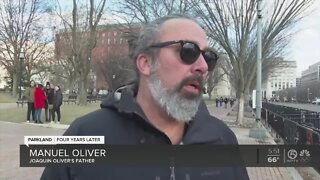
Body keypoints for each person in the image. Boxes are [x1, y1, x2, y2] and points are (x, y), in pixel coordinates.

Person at [41, 15, 249, 180]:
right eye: (189, 51)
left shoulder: (223, 139)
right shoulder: (83, 136)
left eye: (209, 57)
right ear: (146, 63)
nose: (203, 67)